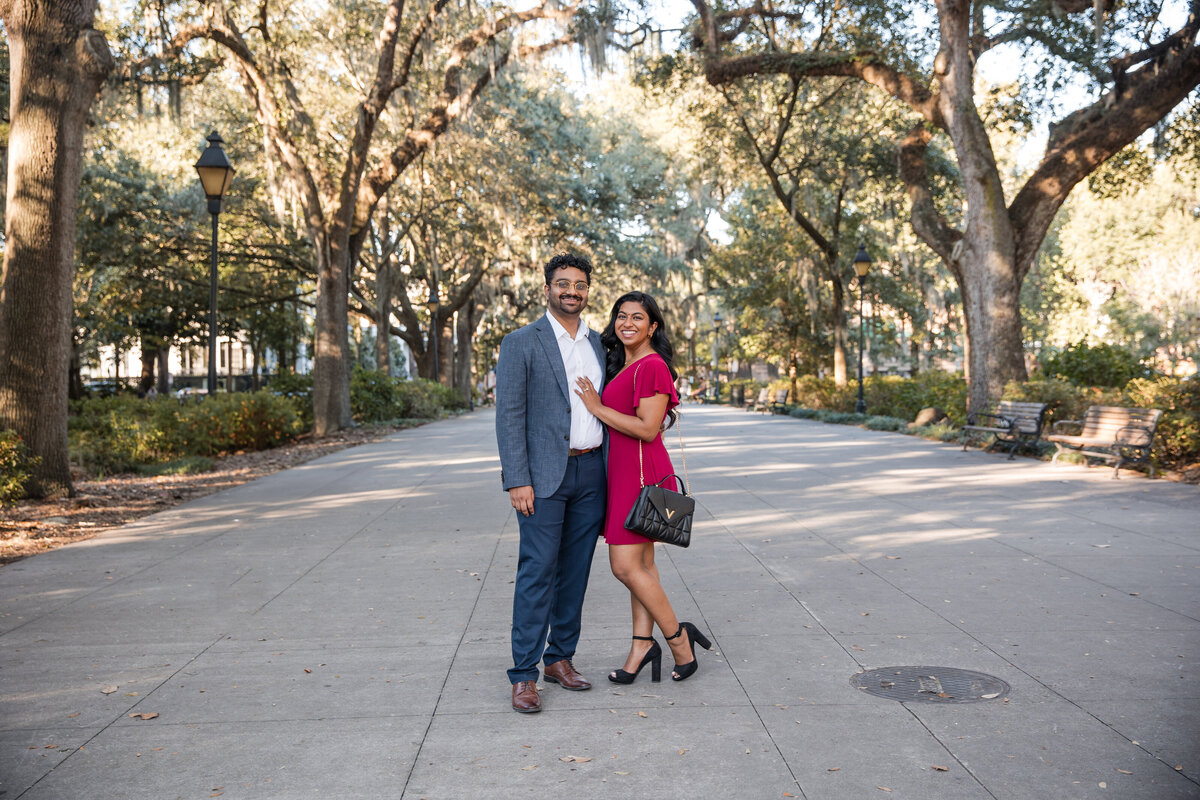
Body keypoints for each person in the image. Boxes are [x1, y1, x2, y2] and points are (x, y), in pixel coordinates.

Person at [574, 292, 713, 683]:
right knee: (643, 567)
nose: (627, 323)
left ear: (653, 326)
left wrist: (597, 407)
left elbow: (648, 428)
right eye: (621, 316)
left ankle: (678, 640)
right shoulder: (625, 363)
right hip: (623, 472)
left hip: (640, 474)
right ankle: (640, 645)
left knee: (624, 566)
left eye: (638, 317)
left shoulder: (651, 366)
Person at [495, 252, 607, 713]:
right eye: (563, 283)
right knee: (537, 572)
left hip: (592, 471)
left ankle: (560, 658)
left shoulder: (600, 344)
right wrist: (516, 478)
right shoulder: (522, 341)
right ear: (547, 289)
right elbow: (510, 415)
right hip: (542, 477)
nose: (572, 291)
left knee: (575, 572)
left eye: (579, 285)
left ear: (586, 291)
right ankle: (523, 674)